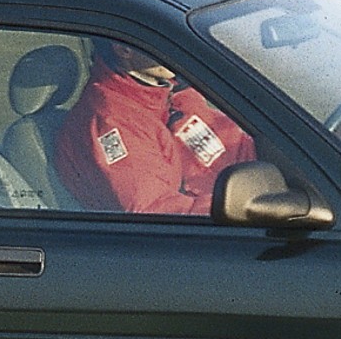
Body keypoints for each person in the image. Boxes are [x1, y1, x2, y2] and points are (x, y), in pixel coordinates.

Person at [55, 39, 255, 216]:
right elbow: (153, 209)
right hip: (185, 243)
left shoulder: (169, 92)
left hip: (229, 210)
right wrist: (244, 207)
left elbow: (235, 148)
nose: (177, 51)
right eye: (161, 44)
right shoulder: (111, 121)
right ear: (124, 50)